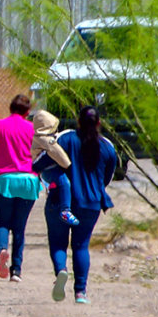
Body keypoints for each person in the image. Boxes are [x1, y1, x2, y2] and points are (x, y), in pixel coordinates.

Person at [34, 106, 117, 304]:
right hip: (90, 204)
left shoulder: (65, 139)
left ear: (78, 121)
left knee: (58, 243)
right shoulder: (107, 147)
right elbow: (107, 177)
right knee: (81, 246)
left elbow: (44, 161)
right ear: (98, 123)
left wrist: (34, 168)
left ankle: (61, 271)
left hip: (60, 201)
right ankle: (80, 292)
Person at [0, 94, 41, 283]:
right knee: (20, 227)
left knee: (3, 223)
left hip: (4, 180)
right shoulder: (32, 129)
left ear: (10, 108)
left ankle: (2, 250)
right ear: (28, 112)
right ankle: (16, 270)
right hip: (28, 180)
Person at [30, 110, 78, 226]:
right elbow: (58, 153)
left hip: (42, 171)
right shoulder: (47, 141)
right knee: (64, 182)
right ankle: (65, 210)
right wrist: (68, 165)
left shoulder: (35, 138)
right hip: (50, 169)